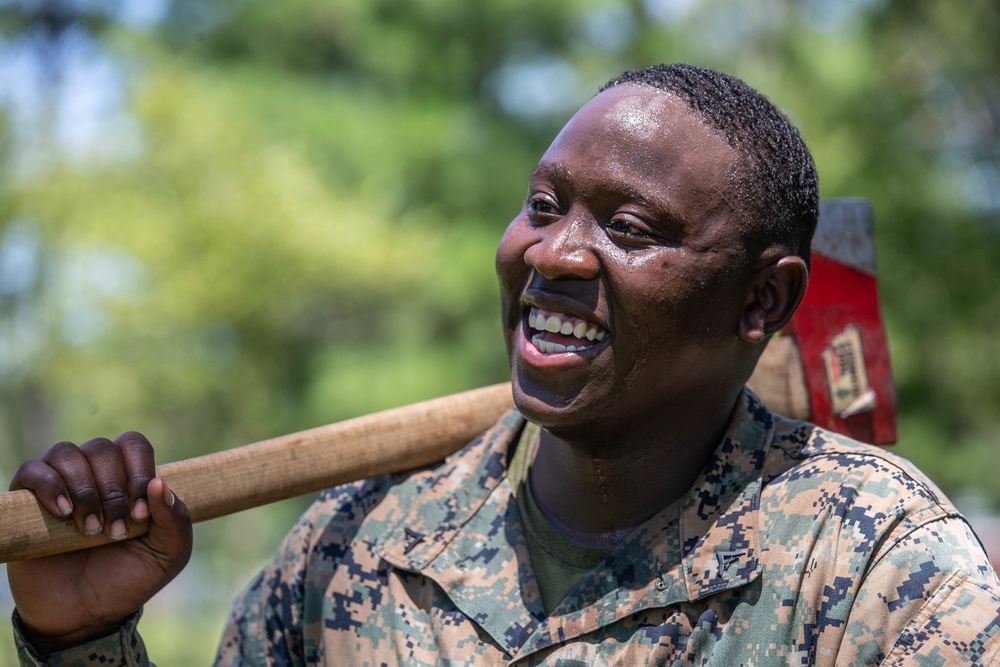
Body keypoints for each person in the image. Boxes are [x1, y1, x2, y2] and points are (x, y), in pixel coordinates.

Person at [9, 64, 1000, 666]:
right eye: (540, 206)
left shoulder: (882, 571)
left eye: (626, 227)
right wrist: (81, 639)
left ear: (762, 302)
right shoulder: (363, 543)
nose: (554, 254)